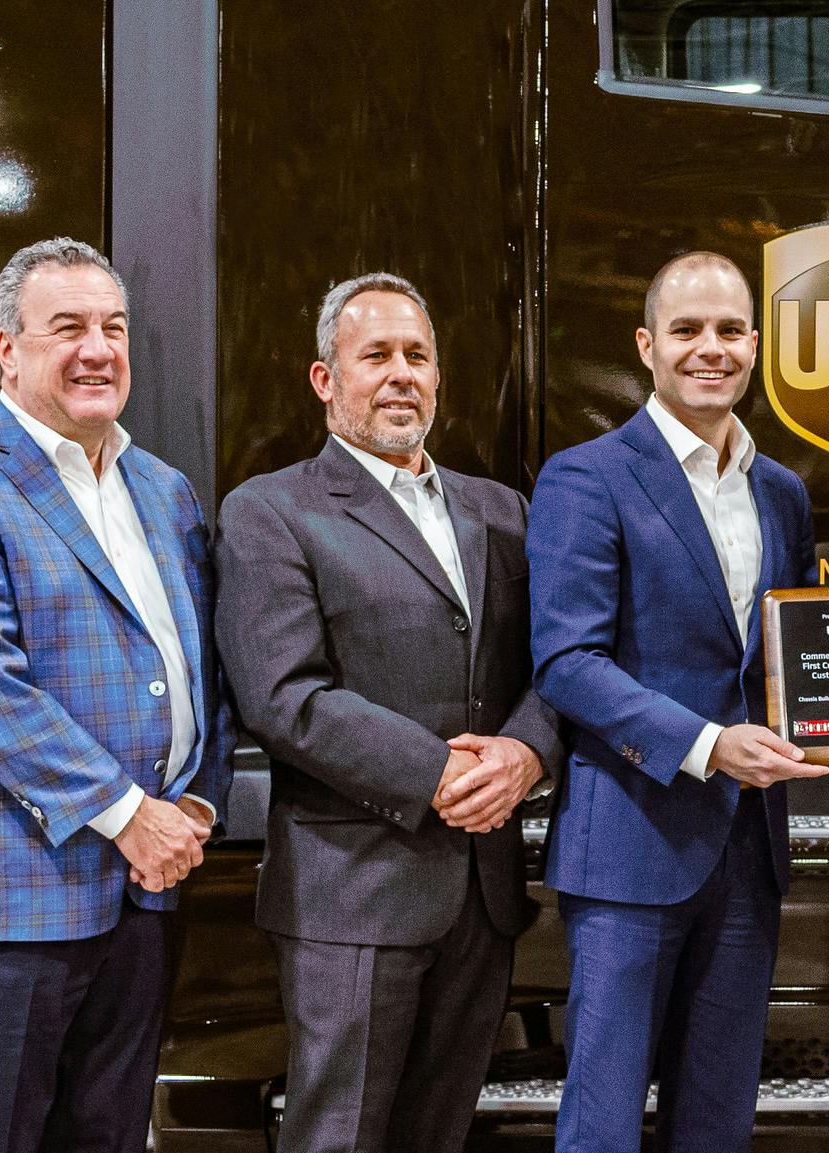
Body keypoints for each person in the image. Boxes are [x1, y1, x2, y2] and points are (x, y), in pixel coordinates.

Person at [0, 237, 232, 1152]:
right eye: (66, 326)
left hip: (143, 892)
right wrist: (128, 814)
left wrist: (192, 801)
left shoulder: (165, 490)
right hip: (6, 894)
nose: (97, 348)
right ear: (8, 347)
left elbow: (200, 669)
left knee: (109, 1138)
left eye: (113, 327)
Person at [213, 273, 563, 1153]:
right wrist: (437, 770)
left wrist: (527, 752)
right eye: (376, 355)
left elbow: (557, 665)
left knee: (438, 1135)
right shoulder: (270, 511)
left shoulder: (504, 512)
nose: (401, 372)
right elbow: (282, 695)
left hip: (482, 894)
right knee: (339, 1138)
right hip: (352, 895)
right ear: (326, 380)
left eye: (418, 355)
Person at [529, 250, 821, 1152]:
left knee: (718, 1116)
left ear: (756, 344)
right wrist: (706, 743)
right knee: (604, 1120)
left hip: (747, 850)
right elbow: (568, 662)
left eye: (730, 330)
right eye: (688, 330)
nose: (712, 349)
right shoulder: (588, 477)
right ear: (648, 346)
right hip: (629, 845)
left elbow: (795, 656)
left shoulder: (783, 492)